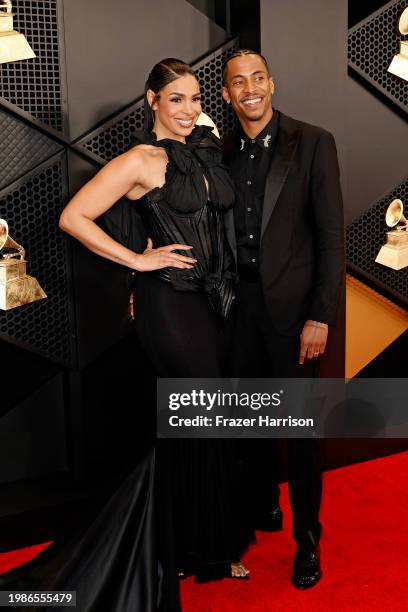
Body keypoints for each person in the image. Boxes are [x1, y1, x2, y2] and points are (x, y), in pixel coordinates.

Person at [58, 57, 250, 593]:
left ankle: (204, 541)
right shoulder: (139, 161)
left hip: (217, 304)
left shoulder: (206, 151)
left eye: (195, 98)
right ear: (152, 101)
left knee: (205, 421)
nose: (188, 110)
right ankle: (194, 546)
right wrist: (138, 260)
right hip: (168, 301)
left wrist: (203, 133)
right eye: (176, 100)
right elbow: (74, 217)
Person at [221, 49, 345, 589]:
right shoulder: (217, 151)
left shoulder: (313, 141)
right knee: (248, 423)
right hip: (235, 312)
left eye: (257, 78)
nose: (249, 89)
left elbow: (330, 236)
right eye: (236, 82)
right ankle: (264, 504)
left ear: (272, 83)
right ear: (226, 94)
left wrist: (321, 316)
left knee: (299, 434)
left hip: (294, 316)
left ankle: (307, 541)